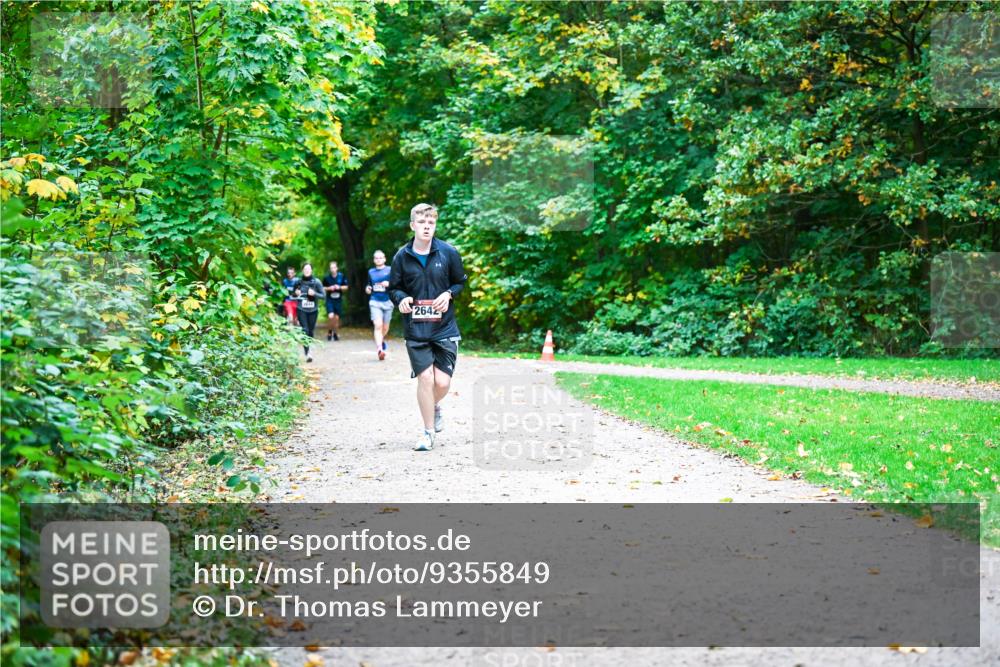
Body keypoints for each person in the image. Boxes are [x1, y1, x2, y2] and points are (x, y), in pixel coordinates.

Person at [388, 203, 467, 452]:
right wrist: (401, 298)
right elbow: (394, 288)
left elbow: (460, 282)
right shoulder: (402, 256)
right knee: (425, 377)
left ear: (435, 225)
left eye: (431, 223)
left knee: (442, 383)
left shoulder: (448, 252)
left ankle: (434, 405)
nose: (426, 227)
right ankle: (427, 432)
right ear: (413, 225)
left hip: (444, 328)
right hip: (416, 329)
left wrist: (449, 294)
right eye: (422, 223)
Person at [293, 263, 324, 362]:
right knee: (305, 330)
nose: (307, 271)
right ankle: (307, 353)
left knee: (310, 330)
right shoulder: (298, 282)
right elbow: (292, 294)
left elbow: (323, 296)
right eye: (305, 269)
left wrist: (314, 293)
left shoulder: (316, 282)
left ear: (311, 270)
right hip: (301, 309)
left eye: (309, 269)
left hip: (313, 310)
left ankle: (309, 349)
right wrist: (295, 293)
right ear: (302, 270)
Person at [365, 249, 393, 361]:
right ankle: (379, 349)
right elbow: (368, 286)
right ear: (374, 260)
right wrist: (368, 289)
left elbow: (398, 284)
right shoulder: (371, 272)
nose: (378, 259)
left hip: (388, 301)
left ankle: (381, 340)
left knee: (385, 327)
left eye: (380, 257)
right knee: (378, 325)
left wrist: (389, 284)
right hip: (375, 301)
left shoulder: (390, 270)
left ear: (385, 259)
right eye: (376, 258)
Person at [322, 261, 348, 341]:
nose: (333, 269)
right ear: (330, 269)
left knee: (336, 318)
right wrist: (330, 288)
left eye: (334, 267)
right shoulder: (326, 278)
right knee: (331, 316)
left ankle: (335, 333)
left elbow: (346, 287)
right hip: (330, 300)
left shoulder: (341, 276)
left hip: (338, 300)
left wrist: (339, 287)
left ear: (337, 268)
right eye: (331, 268)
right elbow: (322, 288)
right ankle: (330, 332)